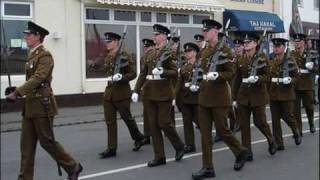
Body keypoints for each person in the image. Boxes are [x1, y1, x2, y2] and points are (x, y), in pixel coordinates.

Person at [6, 21, 82, 180]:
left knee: (47, 142)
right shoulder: (32, 54)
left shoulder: (45, 55)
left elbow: (39, 77)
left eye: (29, 35)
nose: (25, 37)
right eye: (25, 35)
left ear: (38, 37)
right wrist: (17, 91)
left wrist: (18, 92)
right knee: (26, 147)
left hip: (42, 104)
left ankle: (72, 166)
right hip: (30, 105)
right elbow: (31, 79)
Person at [192, 19, 249, 180]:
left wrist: (218, 75)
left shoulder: (225, 50)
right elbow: (199, 70)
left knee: (223, 130)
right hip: (204, 97)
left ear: (216, 31)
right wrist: (196, 82)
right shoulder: (203, 50)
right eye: (204, 30)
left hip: (219, 97)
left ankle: (240, 151)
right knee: (205, 134)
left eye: (207, 30)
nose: (204, 33)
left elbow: (231, 73)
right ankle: (208, 168)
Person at [132, 24, 185, 167]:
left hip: (163, 93)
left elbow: (175, 73)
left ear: (164, 36)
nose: (154, 37)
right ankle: (159, 156)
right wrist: (136, 90)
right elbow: (143, 73)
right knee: (153, 126)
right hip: (149, 93)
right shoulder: (150, 53)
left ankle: (179, 146)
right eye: (154, 34)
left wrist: (162, 72)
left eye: (157, 34)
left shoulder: (171, 53)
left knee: (164, 123)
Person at [98, 32, 147, 159]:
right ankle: (111, 148)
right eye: (106, 42)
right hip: (109, 93)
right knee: (110, 121)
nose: (107, 44)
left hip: (122, 93)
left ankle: (139, 137)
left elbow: (133, 74)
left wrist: (122, 77)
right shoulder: (108, 56)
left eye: (109, 42)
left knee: (127, 119)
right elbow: (104, 70)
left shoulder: (124, 56)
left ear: (116, 42)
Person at [233, 33, 278, 161]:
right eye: (245, 42)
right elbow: (237, 79)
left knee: (260, 122)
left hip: (258, 95)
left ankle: (271, 140)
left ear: (255, 44)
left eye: (249, 42)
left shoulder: (262, 57)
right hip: (243, 95)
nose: (246, 44)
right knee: (244, 125)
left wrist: (258, 78)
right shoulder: (240, 59)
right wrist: (234, 98)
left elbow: (268, 76)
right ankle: (247, 152)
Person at [268, 37, 302, 151]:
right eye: (274, 46)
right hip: (273, 93)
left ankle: (295, 131)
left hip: (286, 93)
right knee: (275, 119)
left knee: (288, 116)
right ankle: (279, 143)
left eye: (278, 46)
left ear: (284, 47)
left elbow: (297, 76)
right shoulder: (270, 58)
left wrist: (291, 80)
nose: (275, 48)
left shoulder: (290, 60)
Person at [175, 42, 201, 153]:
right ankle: (190, 145)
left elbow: (204, 81)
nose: (187, 53)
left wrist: (198, 86)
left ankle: (207, 139)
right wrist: (174, 97)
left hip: (197, 99)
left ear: (195, 52)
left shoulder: (200, 65)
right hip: (186, 99)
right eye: (186, 51)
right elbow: (179, 84)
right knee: (187, 122)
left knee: (200, 122)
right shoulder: (184, 67)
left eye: (189, 51)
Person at [291, 33, 318, 134]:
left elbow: (317, 69)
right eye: (295, 41)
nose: (296, 43)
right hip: (295, 85)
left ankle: (311, 123)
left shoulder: (311, 54)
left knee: (309, 106)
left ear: (303, 42)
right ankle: (299, 130)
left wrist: (312, 67)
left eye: (299, 41)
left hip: (307, 85)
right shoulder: (291, 54)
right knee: (295, 110)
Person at [139, 38, 156, 145]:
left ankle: (153, 134)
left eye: (148, 47)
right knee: (146, 113)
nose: (146, 49)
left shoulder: (155, 56)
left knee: (156, 114)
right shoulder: (143, 58)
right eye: (144, 47)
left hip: (155, 87)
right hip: (146, 88)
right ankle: (147, 135)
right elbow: (143, 74)